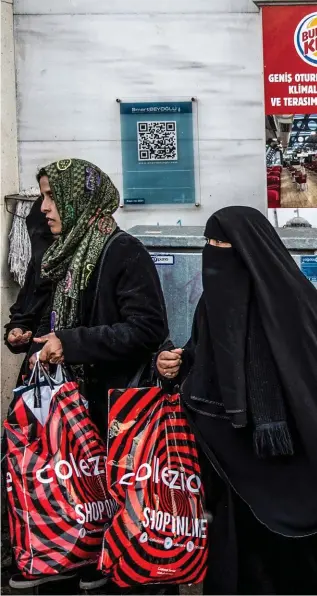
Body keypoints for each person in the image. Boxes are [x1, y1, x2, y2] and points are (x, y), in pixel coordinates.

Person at [25, 158, 169, 594]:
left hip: (116, 411)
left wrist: (70, 342)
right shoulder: (66, 254)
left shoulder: (123, 251)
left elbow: (147, 328)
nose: (44, 207)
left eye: (52, 196)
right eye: (43, 196)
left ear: (77, 197)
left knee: (118, 515)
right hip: (78, 408)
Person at [156, 206, 317, 595]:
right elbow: (203, 358)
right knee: (236, 558)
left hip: (289, 460)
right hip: (227, 456)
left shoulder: (295, 303)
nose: (214, 253)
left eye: (222, 244)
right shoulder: (211, 305)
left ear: (248, 248)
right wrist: (173, 365)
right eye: (208, 243)